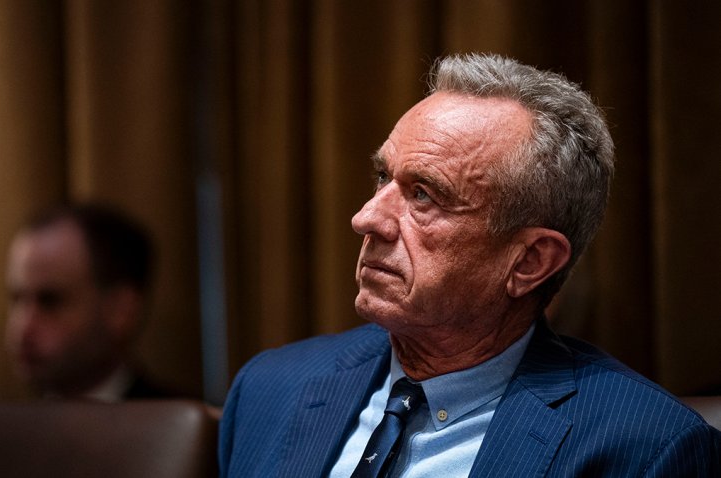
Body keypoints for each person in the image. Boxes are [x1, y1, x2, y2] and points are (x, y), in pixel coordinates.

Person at [219, 53, 721, 476]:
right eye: (382, 177)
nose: (366, 218)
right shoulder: (269, 387)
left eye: (424, 195)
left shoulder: (647, 449)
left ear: (529, 261)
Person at [5, 202, 168, 401]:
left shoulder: (192, 427)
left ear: (121, 311)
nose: (22, 328)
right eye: (17, 300)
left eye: (50, 302)